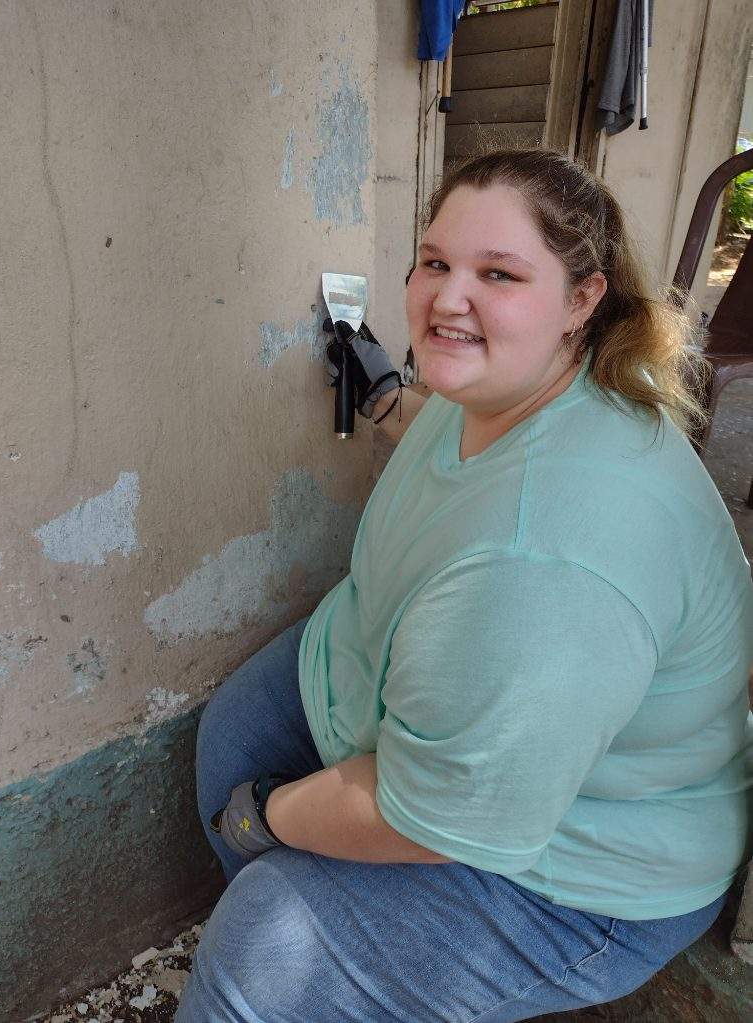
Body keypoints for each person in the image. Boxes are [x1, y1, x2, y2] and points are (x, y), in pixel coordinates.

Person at [175, 148, 753, 1022]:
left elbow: (426, 819)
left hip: (576, 868)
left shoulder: (551, 561)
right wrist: (379, 393)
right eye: (436, 262)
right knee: (238, 731)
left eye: (498, 273)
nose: (448, 297)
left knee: (267, 944)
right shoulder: (510, 381)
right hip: (426, 708)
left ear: (581, 299)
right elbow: (447, 443)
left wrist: (269, 816)